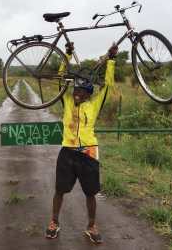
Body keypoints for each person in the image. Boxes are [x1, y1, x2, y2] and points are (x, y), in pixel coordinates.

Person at [45, 44, 118, 244]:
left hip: (88, 152)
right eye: (75, 89)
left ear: (88, 93)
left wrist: (111, 60)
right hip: (67, 151)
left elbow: (108, 86)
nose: (77, 93)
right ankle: (54, 222)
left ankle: (91, 225)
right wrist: (66, 54)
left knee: (91, 193)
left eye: (81, 91)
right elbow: (61, 78)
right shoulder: (67, 100)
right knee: (59, 190)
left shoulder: (94, 104)